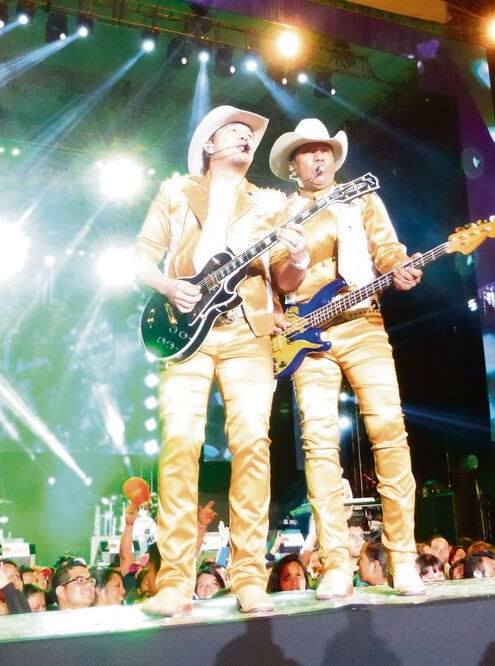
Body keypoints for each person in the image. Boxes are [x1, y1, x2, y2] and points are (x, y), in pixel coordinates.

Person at [134, 105, 307, 617]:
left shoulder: (273, 204)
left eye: (250, 137)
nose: (245, 140)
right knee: (180, 444)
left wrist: (297, 259)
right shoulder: (176, 192)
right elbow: (141, 255)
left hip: (248, 333)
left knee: (252, 443)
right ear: (209, 144)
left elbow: (285, 282)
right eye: (234, 133)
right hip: (186, 330)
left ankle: (249, 576)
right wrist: (169, 286)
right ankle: (173, 581)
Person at [267, 118, 425, 601]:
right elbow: (277, 278)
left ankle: (403, 558)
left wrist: (399, 268)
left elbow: (387, 247)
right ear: (293, 165)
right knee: (318, 444)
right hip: (308, 334)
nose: (319, 158)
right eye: (308, 152)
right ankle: (335, 562)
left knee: (389, 432)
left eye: (325, 151)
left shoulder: (361, 197)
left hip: (363, 322)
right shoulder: (282, 212)